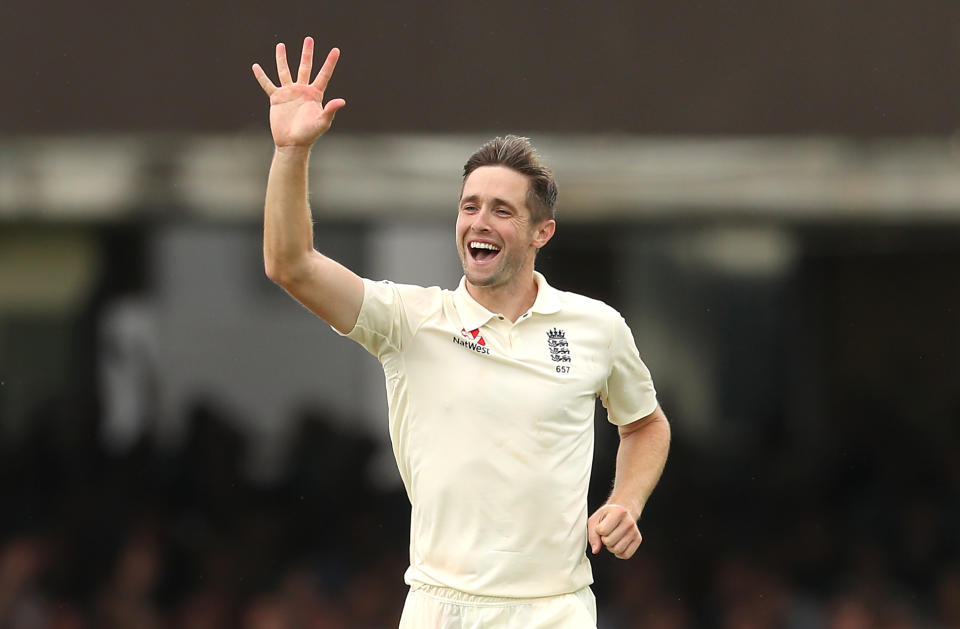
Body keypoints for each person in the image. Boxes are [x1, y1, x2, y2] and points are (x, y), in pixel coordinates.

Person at [252, 37, 671, 629]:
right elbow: (289, 264)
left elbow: (646, 424)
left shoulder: (596, 327)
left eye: (502, 210)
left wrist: (625, 502)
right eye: (469, 206)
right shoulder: (410, 321)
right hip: (440, 606)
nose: (480, 221)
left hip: (555, 610)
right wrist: (291, 152)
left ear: (540, 233)